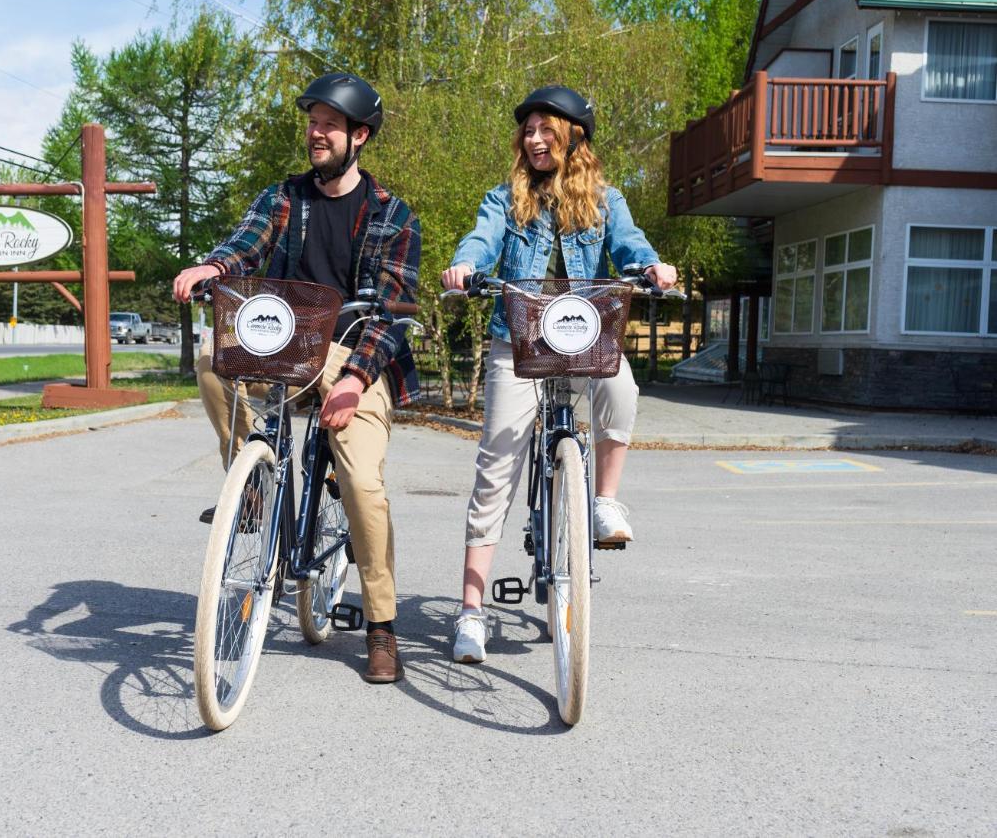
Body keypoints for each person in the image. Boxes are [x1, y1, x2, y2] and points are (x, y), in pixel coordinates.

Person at [173, 73, 421, 684]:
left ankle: (382, 627)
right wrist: (213, 265)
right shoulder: (283, 197)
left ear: (359, 136)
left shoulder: (391, 214)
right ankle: (252, 478)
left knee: (362, 483)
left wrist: (357, 381)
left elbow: (391, 312)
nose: (316, 132)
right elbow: (246, 244)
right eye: (312, 121)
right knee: (211, 362)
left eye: (330, 124)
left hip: (352, 359)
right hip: (282, 347)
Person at [439, 85, 677, 664]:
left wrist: (651, 267)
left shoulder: (604, 201)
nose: (536, 139)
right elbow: (483, 237)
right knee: (497, 460)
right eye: (529, 131)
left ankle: (604, 503)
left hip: (584, 333)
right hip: (517, 339)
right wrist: (467, 264)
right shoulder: (505, 199)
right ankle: (471, 613)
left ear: (575, 137)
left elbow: (629, 245)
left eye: (548, 129)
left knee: (622, 384)